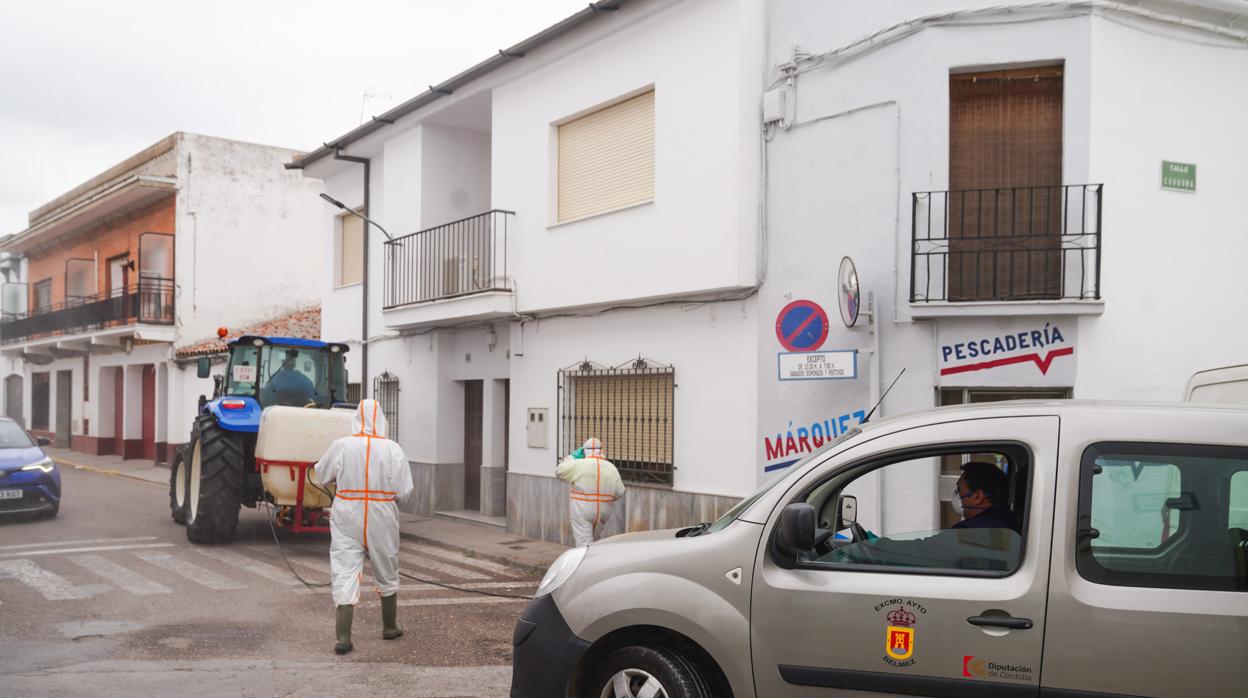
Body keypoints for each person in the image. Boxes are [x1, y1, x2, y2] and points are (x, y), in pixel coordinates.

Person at [313, 399, 414, 655]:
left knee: (345, 568)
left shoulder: (341, 446)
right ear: (382, 420)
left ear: (355, 419)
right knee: (387, 566)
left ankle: (343, 638)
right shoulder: (393, 449)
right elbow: (405, 492)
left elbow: (322, 474)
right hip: (382, 512)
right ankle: (390, 626)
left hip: (348, 510)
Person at [556, 437, 626, 546]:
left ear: (584, 452)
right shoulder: (611, 467)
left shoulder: (578, 464)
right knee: (596, 543)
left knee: (583, 544)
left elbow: (559, 471)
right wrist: (607, 499)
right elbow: (620, 491)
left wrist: (572, 457)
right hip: (603, 510)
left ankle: (586, 562)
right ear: (601, 451)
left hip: (582, 509)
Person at [951, 461, 1022, 534]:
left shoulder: (966, 532)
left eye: (959, 489)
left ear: (977, 497)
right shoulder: (1010, 520)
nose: (956, 493)